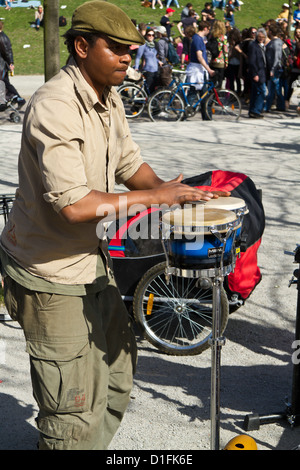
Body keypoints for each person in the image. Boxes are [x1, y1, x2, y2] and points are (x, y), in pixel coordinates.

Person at [0, 0, 223, 451]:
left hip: (90, 260)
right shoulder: (55, 105)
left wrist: (171, 192)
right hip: (50, 273)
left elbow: (127, 161)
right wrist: (155, 197)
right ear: (81, 46)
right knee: (72, 408)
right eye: (117, 48)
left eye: (131, 49)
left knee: (118, 373)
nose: (128, 57)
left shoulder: (109, 95)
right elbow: (76, 207)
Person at [0, 21, 26, 109]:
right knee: (5, 83)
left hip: (1, 67)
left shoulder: (2, 38)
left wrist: (11, 63)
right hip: (2, 66)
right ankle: (12, 99)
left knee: (5, 83)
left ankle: (18, 99)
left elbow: (7, 52)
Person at [264, 23, 285, 112]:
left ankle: (279, 105)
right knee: (273, 88)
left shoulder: (276, 43)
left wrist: (272, 69)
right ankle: (272, 106)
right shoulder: (275, 42)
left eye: (268, 30)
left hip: (275, 69)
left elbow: (277, 57)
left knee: (275, 88)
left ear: (271, 32)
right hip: (274, 68)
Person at [248, 27, 267, 118]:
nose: (261, 38)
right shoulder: (253, 45)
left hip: (262, 72)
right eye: (259, 36)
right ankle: (256, 110)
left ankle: (253, 110)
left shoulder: (262, 45)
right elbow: (252, 61)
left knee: (256, 92)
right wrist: (255, 73)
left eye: (263, 37)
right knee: (262, 91)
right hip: (257, 72)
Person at [134, 28, 162, 93]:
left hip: (156, 69)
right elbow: (138, 57)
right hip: (148, 70)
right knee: (149, 89)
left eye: (153, 35)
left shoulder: (154, 44)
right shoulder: (143, 45)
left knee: (155, 89)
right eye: (149, 35)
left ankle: (151, 102)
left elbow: (154, 57)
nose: (151, 36)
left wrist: (159, 61)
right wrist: (136, 67)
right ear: (146, 35)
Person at [207, 20, 228, 89]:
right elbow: (225, 50)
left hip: (212, 60)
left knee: (212, 80)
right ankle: (217, 95)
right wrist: (226, 61)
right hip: (220, 61)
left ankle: (211, 94)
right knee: (219, 80)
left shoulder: (211, 36)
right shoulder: (223, 37)